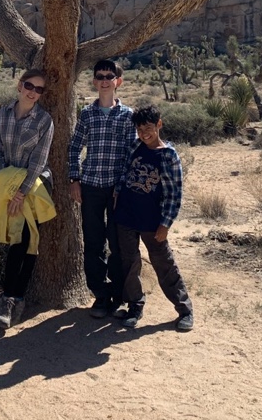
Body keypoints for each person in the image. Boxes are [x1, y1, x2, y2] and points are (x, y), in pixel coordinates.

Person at [113, 105, 194, 332]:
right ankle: (134, 306)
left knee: (163, 263)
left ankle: (185, 309)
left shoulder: (168, 156)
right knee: (129, 261)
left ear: (159, 124)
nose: (144, 134)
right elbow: (125, 171)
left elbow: (174, 193)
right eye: (140, 129)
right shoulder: (135, 146)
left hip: (153, 220)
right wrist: (117, 192)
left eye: (148, 128)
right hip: (126, 215)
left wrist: (166, 223)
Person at [69, 59, 136, 318]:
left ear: (118, 81)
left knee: (117, 243)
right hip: (91, 187)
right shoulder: (87, 113)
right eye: (100, 76)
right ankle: (100, 294)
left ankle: (119, 295)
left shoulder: (128, 115)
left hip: (116, 190)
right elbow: (75, 148)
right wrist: (75, 179)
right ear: (95, 82)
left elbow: (131, 154)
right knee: (93, 242)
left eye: (110, 76)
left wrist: (122, 186)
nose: (105, 80)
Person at [0, 69, 55, 330]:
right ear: (20, 85)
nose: (33, 92)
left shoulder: (44, 120)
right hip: (7, 183)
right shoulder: (3, 114)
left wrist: (20, 191)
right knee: (13, 238)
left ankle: (12, 298)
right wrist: (6, 182)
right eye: (29, 86)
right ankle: (11, 295)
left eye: (39, 89)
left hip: (33, 186)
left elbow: (39, 160)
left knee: (26, 240)